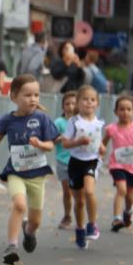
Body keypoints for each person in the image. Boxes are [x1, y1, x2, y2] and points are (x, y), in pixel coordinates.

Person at [0, 74, 59, 265]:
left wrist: (40, 144)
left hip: (37, 174)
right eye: (27, 95)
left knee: (35, 221)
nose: (33, 99)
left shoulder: (42, 119)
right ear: (14, 97)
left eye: (36, 95)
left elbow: (51, 145)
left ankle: (29, 232)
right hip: (16, 172)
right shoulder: (8, 120)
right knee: (20, 205)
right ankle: (12, 246)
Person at [59, 85, 106, 249]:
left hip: (91, 161)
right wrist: (78, 142)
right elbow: (65, 143)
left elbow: (97, 140)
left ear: (97, 103)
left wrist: (101, 148)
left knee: (89, 191)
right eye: (85, 99)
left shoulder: (99, 122)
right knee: (78, 201)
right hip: (75, 162)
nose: (89, 103)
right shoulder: (74, 122)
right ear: (78, 103)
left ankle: (92, 224)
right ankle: (79, 229)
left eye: (92, 100)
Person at [103, 94, 133, 232]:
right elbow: (104, 143)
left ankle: (128, 211)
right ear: (116, 111)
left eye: (129, 109)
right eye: (121, 109)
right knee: (121, 190)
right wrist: (100, 152)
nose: (125, 112)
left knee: (129, 195)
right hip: (117, 164)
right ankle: (116, 219)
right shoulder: (111, 129)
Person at [53, 91, 77, 230]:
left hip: (79, 161)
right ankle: (67, 215)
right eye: (67, 104)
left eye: (73, 103)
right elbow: (52, 139)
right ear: (63, 107)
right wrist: (62, 137)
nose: (70, 106)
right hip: (63, 161)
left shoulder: (82, 121)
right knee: (67, 191)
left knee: (79, 192)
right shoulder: (59, 122)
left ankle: (80, 216)